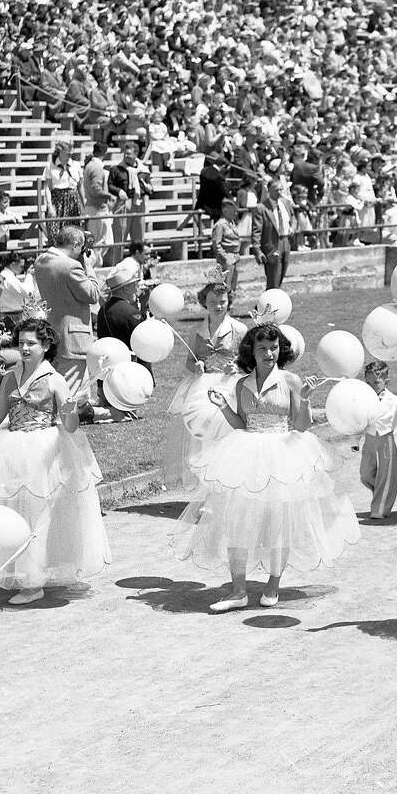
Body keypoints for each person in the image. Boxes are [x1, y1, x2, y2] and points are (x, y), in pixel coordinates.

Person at [171, 323, 357, 612]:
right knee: (236, 521)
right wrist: (223, 406)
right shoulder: (241, 384)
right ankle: (238, 591)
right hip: (247, 455)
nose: (269, 353)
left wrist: (306, 397)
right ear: (252, 351)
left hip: (283, 454)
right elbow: (241, 424)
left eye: (274, 347)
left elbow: (301, 426)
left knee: (277, 522)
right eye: (262, 348)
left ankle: (273, 584)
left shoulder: (291, 381)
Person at [0, 319, 109, 606]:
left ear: (46, 345)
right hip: (11, 449)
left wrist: (71, 411)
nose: (25, 348)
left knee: (40, 515)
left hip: (44, 450)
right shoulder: (9, 378)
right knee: (12, 511)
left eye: (31, 343)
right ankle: (16, 570)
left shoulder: (54, 379)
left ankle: (33, 580)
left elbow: (70, 426)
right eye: (21, 343)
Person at [163, 272, 246, 491]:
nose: (218, 306)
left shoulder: (239, 329)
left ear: (229, 301)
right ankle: (208, 488)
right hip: (203, 388)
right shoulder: (196, 331)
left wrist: (236, 367)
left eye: (222, 302)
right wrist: (196, 367)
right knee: (204, 438)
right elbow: (189, 361)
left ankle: (229, 483)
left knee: (227, 434)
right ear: (204, 303)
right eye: (212, 302)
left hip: (229, 386)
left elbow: (248, 362)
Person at [31, 225, 103, 403]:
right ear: (76, 245)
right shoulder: (71, 267)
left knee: (56, 388)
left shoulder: (40, 261)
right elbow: (93, 295)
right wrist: (89, 267)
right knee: (71, 394)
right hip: (73, 339)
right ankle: (64, 420)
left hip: (52, 332)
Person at [359, 361, 397, 520]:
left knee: (386, 475)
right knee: (365, 473)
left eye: (376, 382)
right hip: (369, 440)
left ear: (386, 381)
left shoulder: (395, 401)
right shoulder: (362, 399)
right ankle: (379, 491)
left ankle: (380, 509)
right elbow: (357, 420)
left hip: (386, 440)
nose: (372, 386)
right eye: (368, 383)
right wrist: (355, 441)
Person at [250, 180, 292, 290]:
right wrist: (257, 250)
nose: (279, 192)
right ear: (269, 190)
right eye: (276, 190)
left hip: (286, 241)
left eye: (281, 189)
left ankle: (273, 297)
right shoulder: (261, 208)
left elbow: (291, 219)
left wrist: (292, 227)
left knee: (282, 274)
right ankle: (270, 298)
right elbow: (256, 231)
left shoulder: (286, 203)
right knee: (273, 278)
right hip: (272, 245)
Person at [96, 259, 145, 350]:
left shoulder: (102, 310)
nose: (136, 290)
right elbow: (142, 341)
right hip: (127, 356)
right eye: (134, 286)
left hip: (107, 356)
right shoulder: (131, 312)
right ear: (126, 289)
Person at [0, 252, 37, 330]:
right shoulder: (8, 277)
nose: (22, 269)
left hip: (11, 315)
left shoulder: (8, 275)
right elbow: (28, 292)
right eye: (21, 266)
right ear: (13, 264)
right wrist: (29, 275)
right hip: (11, 316)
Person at [210, 198, 242, 297]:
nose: (235, 213)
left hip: (235, 256)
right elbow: (216, 244)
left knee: (233, 284)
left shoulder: (231, 223)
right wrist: (225, 257)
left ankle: (230, 301)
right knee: (225, 285)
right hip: (226, 256)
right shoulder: (220, 225)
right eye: (233, 211)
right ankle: (222, 302)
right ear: (225, 210)